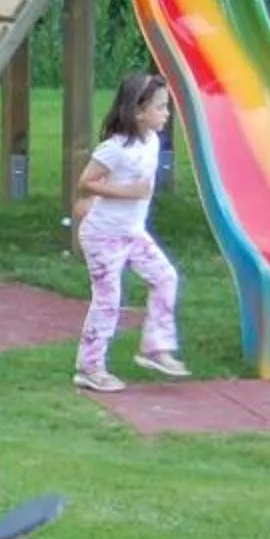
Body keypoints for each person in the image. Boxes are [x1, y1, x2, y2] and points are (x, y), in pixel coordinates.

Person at [71, 69, 191, 392]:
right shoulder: (115, 148)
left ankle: (155, 348)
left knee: (165, 277)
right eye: (160, 107)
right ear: (138, 111)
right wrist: (123, 194)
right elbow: (86, 182)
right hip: (103, 237)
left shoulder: (152, 141)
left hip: (133, 233)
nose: (166, 113)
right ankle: (89, 368)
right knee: (108, 301)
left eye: (166, 106)